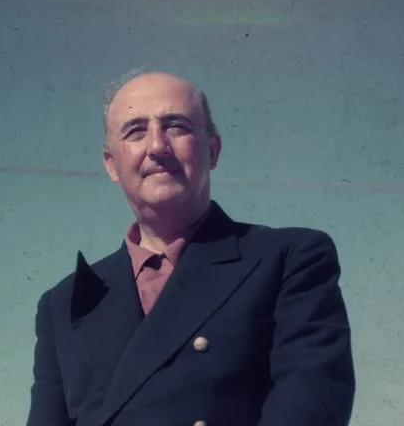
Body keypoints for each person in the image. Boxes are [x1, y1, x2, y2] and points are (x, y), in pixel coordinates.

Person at [26, 70, 356, 426]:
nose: (157, 146)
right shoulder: (64, 304)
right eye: (136, 131)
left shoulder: (290, 259)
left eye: (176, 126)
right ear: (111, 164)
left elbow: (309, 407)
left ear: (212, 150)